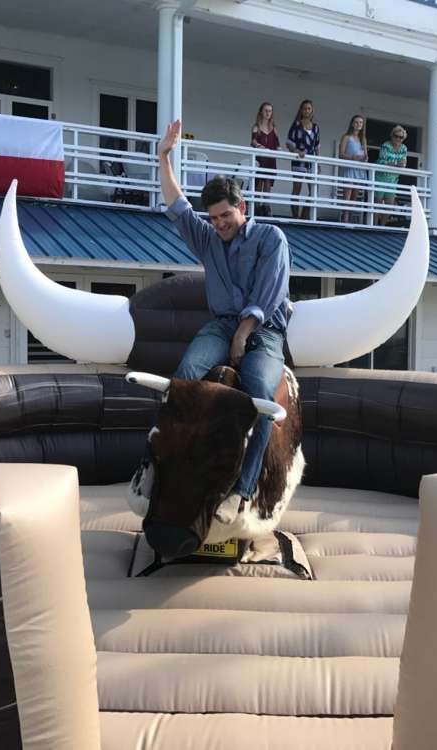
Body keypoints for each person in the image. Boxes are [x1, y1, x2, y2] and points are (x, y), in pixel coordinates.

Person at [138, 118, 291, 522]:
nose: (219, 224)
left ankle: (241, 491)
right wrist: (163, 156)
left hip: (264, 331)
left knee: (259, 392)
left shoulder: (271, 238)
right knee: (184, 375)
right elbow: (177, 207)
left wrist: (244, 332)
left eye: (225, 215)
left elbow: (270, 293)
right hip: (222, 325)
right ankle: (153, 466)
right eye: (214, 218)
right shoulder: (208, 237)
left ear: (242, 208)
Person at [286, 100, 320, 220]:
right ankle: (295, 216)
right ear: (301, 110)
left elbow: (317, 146)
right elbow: (289, 143)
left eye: (309, 109)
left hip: (311, 161)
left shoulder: (315, 128)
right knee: (297, 187)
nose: (307, 111)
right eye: (304, 108)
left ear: (312, 111)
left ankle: (304, 215)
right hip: (299, 160)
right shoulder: (296, 125)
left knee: (313, 189)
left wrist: (318, 162)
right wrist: (297, 152)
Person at [373, 125, 408, 226]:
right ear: (392, 136)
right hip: (381, 177)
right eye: (396, 136)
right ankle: (374, 225)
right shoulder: (386, 145)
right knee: (377, 203)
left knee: (389, 204)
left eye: (401, 137)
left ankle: (382, 226)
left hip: (393, 179)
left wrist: (398, 164)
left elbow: (403, 162)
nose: (398, 139)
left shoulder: (404, 148)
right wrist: (396, 164)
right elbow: (383, 160)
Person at [250, 102, 280, 217]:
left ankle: (267, 206)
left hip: (270, 159)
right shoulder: (256, 127)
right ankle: (257, 206)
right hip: (260, 158)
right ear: (261, 112)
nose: (268, 113)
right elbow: (253, 141)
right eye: (266, 110)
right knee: (258, 182)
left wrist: (278, 149)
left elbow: (277, 143)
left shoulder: (274, 128)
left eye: (270, 111)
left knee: (268, 182)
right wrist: (258, 145)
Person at [338, 114, 368, 224]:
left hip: (359, 169)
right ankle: (345, 218)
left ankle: (350, 218)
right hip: (349, 168)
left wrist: (364, 157)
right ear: (352, 124)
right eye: (356, 122)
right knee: (347, 193)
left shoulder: (363, 139)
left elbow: (365, 154)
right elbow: (341, 154)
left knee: (355, 195)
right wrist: (353, 157)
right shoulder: (346, 137)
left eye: (360, 123)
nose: (358, 124)